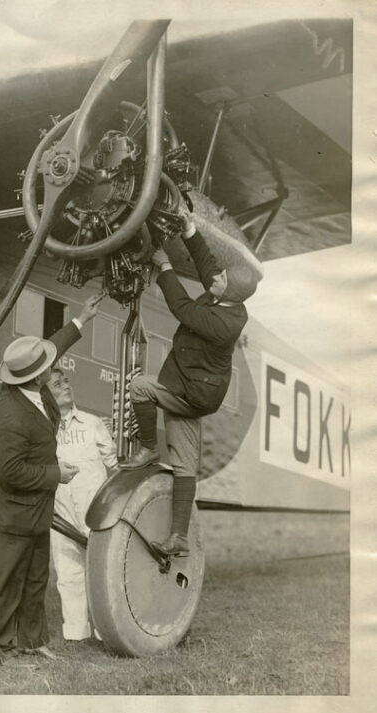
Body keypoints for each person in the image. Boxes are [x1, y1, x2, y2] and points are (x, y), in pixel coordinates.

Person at [121, 206, 258, 558]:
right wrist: (189, 229)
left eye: (221, 279)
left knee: (141, 388)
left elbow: (182, 308)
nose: (214, 278)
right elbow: (208, 265)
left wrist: (164, 265)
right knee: (184, 464)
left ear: (229, 294)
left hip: (194, 393)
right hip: (194, 386)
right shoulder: (226, 294)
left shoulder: (225, 323)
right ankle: (178, 537)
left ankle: (149, 448)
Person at [0, 293, 103, 664]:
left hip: (35, 504)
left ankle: (32, 641)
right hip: (15, 508)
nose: (54, 370)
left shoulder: (32, 386)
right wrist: (58, 475)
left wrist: (81, 319)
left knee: (36, 574)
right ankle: (0, 648)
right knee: (10, 578)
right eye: (48, 370)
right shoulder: (12, 416)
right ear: (37, 377)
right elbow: (10, 471)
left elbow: (49, 349)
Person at [47, 367, 118, 641]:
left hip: (94, 513)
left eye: (66, 380)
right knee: (68, 573)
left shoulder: (92, 423)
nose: (65, 385)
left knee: (99, 572)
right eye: (57, 383)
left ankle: (106, 630)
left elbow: (115, 463)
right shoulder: (44, 430)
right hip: (61, 512)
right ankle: (76, 634)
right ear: (46, 394)